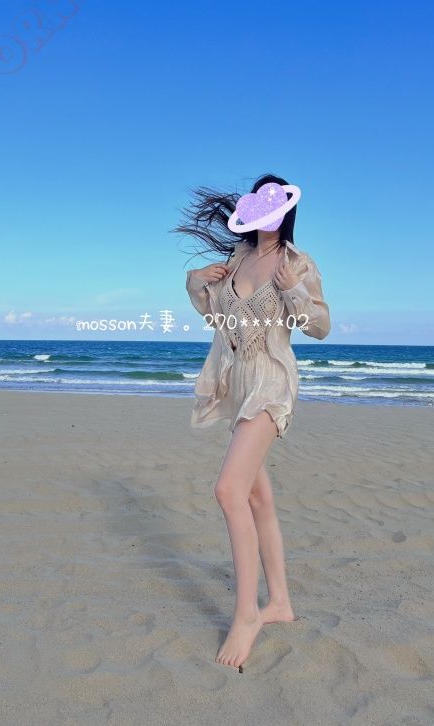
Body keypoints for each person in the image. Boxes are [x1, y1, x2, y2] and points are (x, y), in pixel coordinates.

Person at [173, 172, 331, 669]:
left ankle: (246, 616)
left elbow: (320, 327)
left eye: (276, 205)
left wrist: (294, 291)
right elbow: (220, 320)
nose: (269, 215)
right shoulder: (238, 258)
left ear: (286, 210)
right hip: (237, 383)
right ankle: (279, 602)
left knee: (228, 491)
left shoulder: (296, 263)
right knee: (258, 497)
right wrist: (197, 281)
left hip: (271, 383)